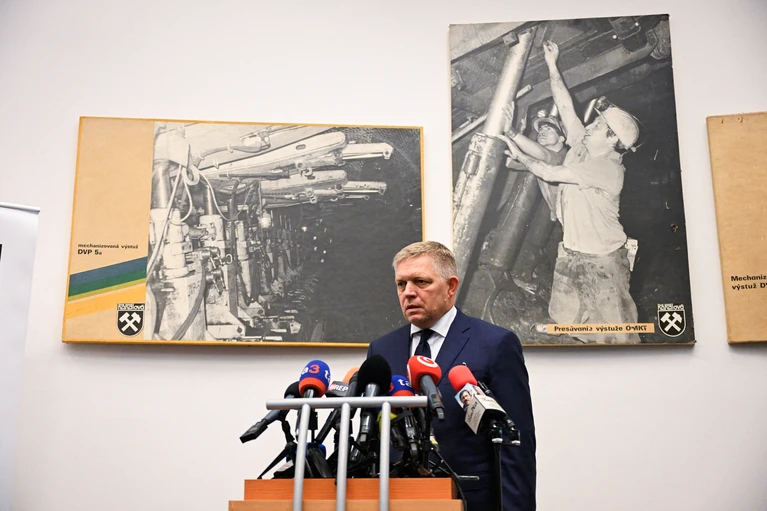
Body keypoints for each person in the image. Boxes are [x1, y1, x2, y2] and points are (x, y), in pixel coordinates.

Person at [367, 241, 536, 510]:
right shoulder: (382, 350)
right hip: (396, 499)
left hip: (469, 500)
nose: (408, 292)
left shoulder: (495, 344)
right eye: (401, 284)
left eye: (420, 282)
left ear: (451, 287)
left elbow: (515, 440)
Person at [499, 40, 641, 344]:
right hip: (571, 251)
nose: (589, 126)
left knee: (617, 336)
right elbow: (565, 106)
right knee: (565, 319)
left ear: (612, 139)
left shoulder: (608, 168)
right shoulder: (581, 145)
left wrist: (517, 151)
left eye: (598, 125)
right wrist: (552, 63)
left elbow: (550, 172)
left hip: (603, 260)